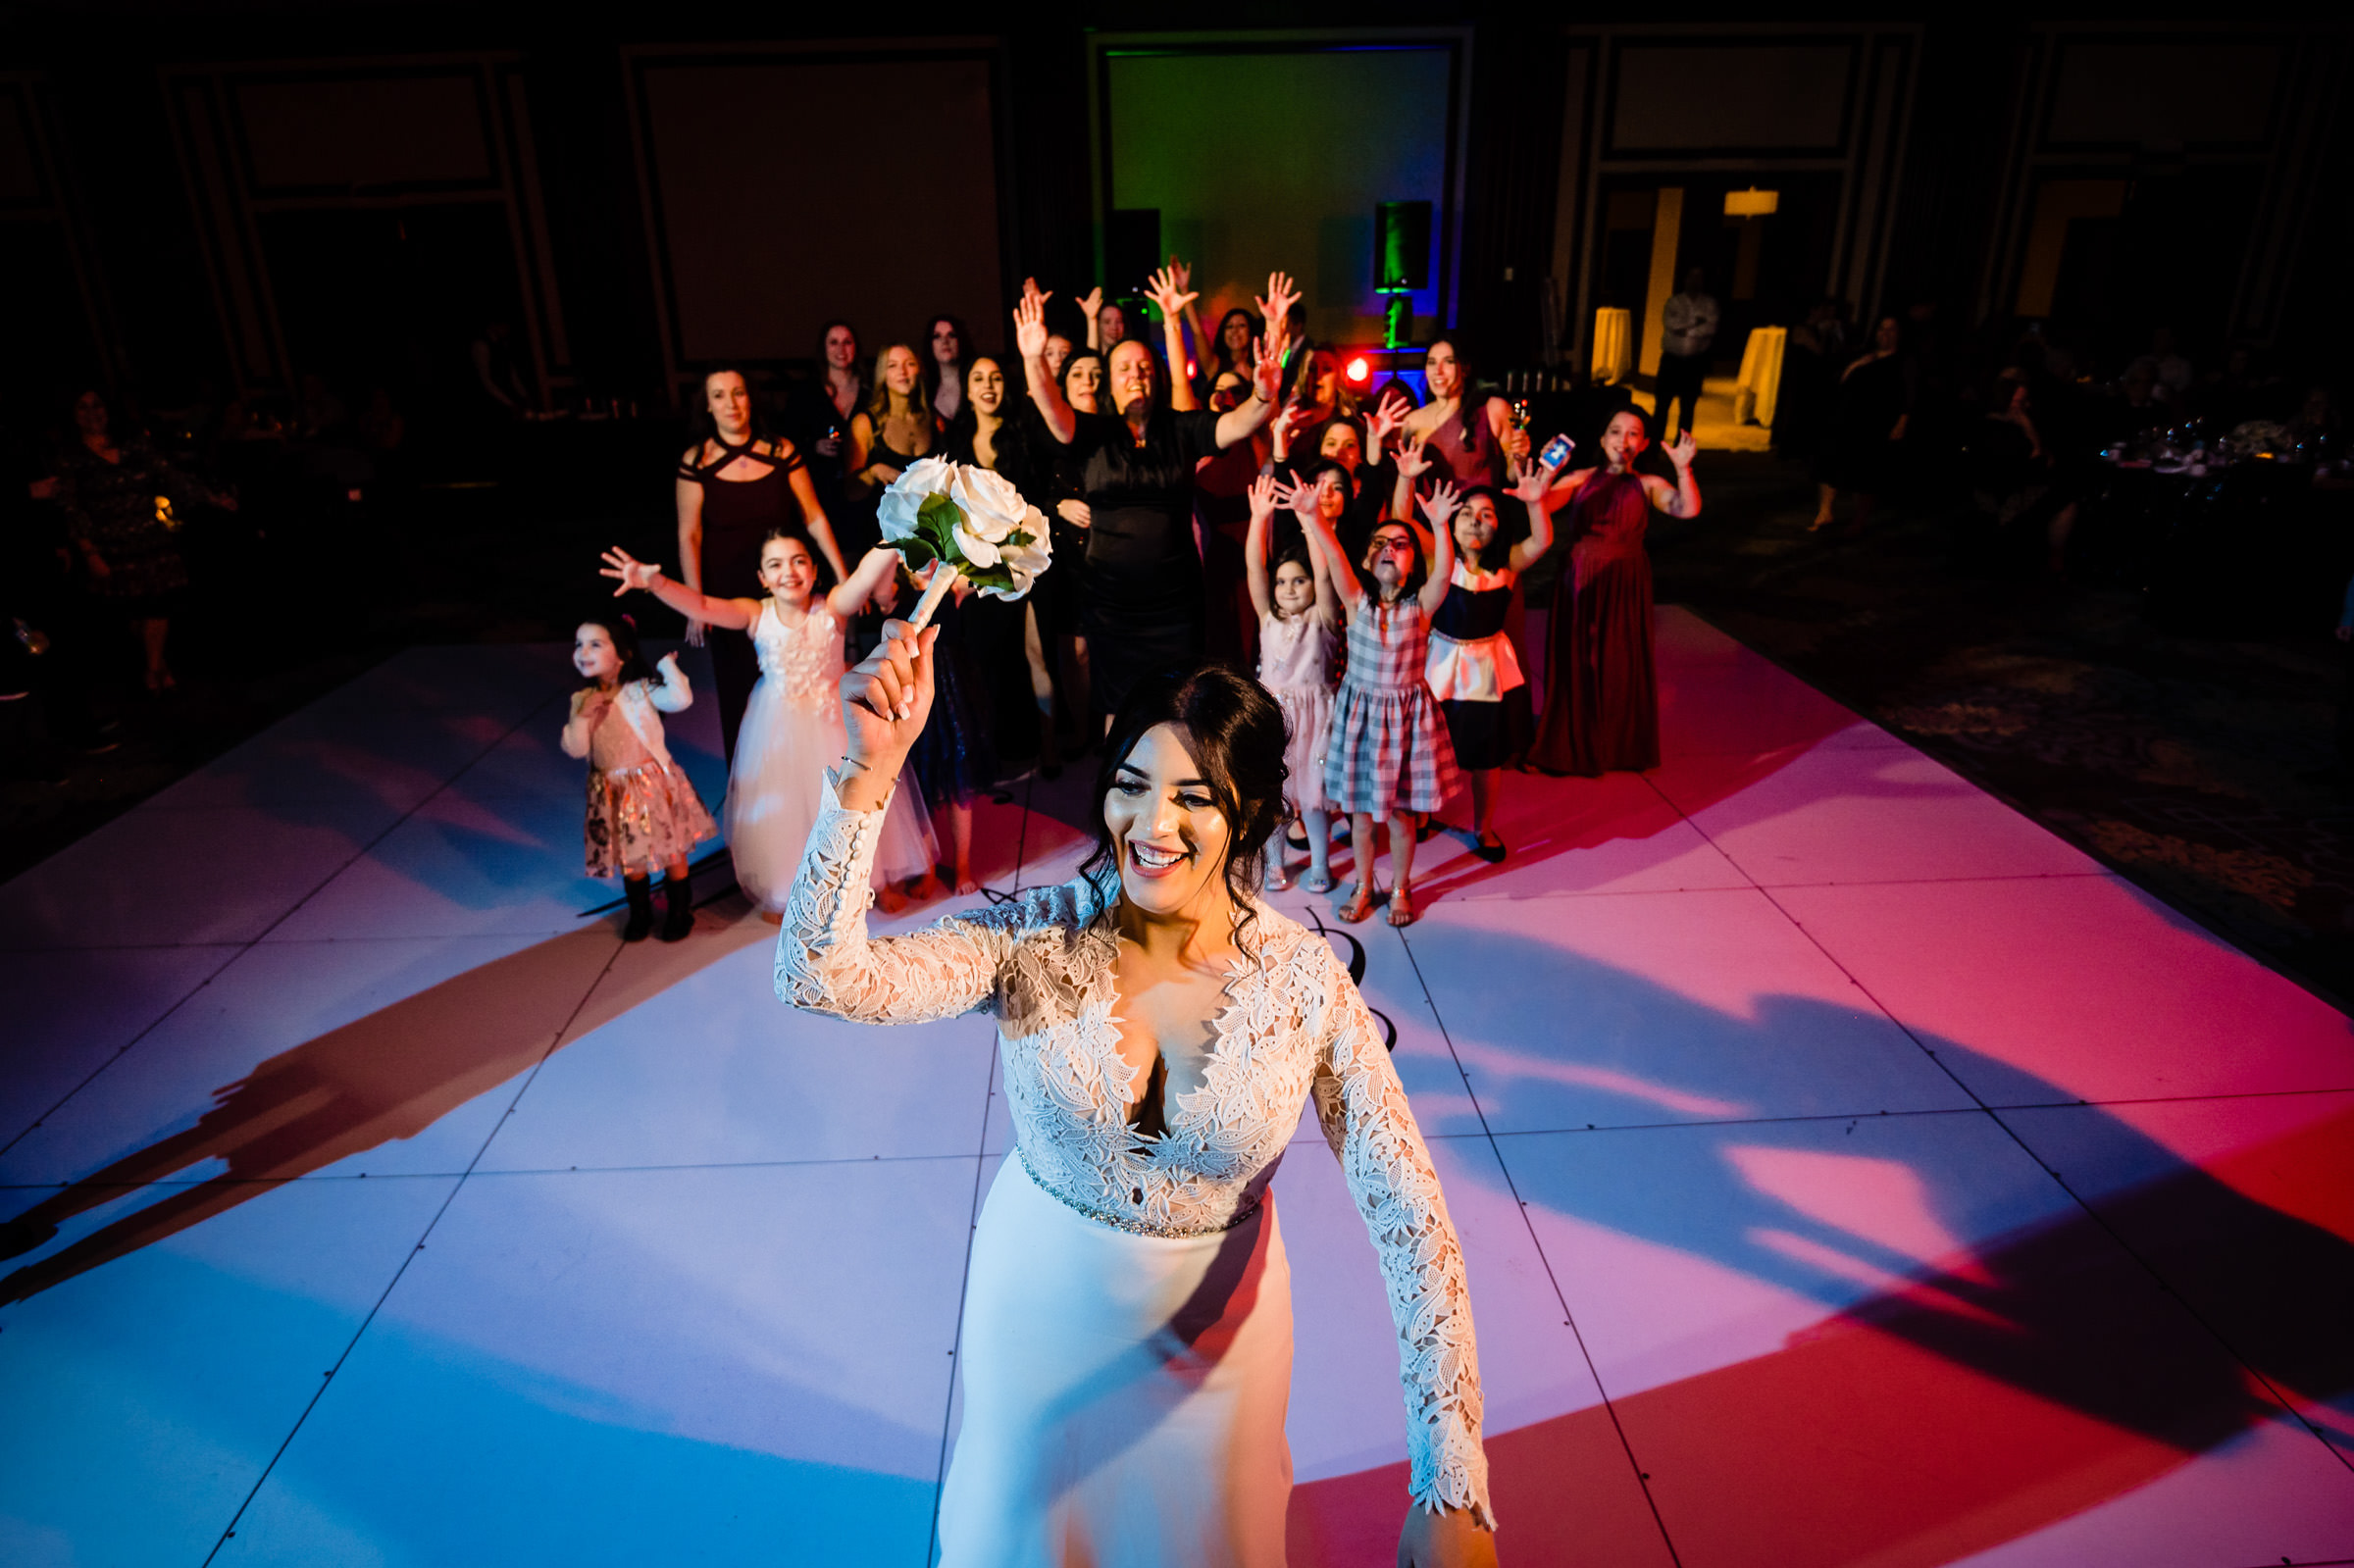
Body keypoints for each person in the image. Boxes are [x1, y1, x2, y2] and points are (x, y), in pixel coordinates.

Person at [777, 638, 1498, 1567]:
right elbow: (818, 975)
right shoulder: (1032, 935)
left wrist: (1453, 1479)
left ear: (1250, 815)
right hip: (1037, 1317)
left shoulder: (1306, 985)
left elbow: (1413, 1219)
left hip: (1222, 1354)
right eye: (1132, 782)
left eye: (1193, 795)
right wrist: (866, 775)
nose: (1151, 821)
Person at [599, 534, 936, 915]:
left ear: (813, 572)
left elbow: (862, 577)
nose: (788, 572)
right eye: (775, 565)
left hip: (833, 721)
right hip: (777, 724)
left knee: (852, 802)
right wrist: (654, 582)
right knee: (784, 813)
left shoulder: (834, 607)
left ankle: (874, 883)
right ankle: (785, 890)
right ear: (762, 577)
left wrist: (897, 532)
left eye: (798, 561)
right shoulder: (755, 613)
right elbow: (704, 605)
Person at [1013, 273, 1293, 725]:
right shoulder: (1094, 433)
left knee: (1177, 708)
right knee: (1118, 711)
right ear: (1111, 382)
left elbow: (1240, 423)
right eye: (1123, 368)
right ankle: (1117, 790)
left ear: (1157, 376)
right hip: (1111, 605)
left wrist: (1264, 391)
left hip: (1173, 605)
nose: (1135, 375)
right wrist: (1033, 358)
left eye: (1143, 366)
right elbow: (1054, 413)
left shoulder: (1181, 429)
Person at [1297, 479, 1464, 929]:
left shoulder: (1421, 606)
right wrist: (1314, 517)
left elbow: (1446, 573)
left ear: (1414, 559)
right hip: (1362, 720)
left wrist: (1441, 525)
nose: (1389, 549)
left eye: (1401, 543)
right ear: (1368, 558)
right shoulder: (1357, 601)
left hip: (1406, 722)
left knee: (1401, 816)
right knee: (1363, 816)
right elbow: (1333, 558)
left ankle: (1401, 886)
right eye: (1380, 543)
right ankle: (1364, 884)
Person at [678, 368, 849, 762]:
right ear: (707, 405)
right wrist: (694, 603)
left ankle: (805, 771)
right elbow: (689, 534)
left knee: (795, 683)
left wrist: (842, 576)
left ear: (750, 398)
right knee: (737, 686)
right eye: (719, 395)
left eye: (737, 393)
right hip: (727, 588)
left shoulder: (780, 450)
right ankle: (753, 783)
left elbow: (814, 516)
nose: (731, 404)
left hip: (783, 583)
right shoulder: (696, 460)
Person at [1532, 409, 1700, 776]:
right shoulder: (1579, 478)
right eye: (1615, 431)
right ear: (1602, 437)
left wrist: (1684, 470)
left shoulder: (1649, 483)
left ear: (1643, 444)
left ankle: (1617, 745)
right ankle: (1571, 742)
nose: (1622, 440)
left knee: (1619, 660)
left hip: (1626, 579)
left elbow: (1687, 508)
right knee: (1578, 659)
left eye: (1632, 434)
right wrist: (1546, 472)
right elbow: (1538, 504)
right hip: (1581, 575)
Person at [1422, 463, 1565, 860]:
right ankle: (1421, 815)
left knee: (1487, 758)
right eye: (1466, 513)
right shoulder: (1438, 561)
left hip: (1486, 670)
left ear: (1499, 526)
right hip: (1439, 665)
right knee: (1429, 747)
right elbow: (1405, 524)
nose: (1475, 521)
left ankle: (1483, 828)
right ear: (1451, 523)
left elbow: (1541, 540)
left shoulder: (1507, 566)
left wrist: (1535, 502)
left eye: (1487, 515)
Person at [51, 388, 236, 694]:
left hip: (149, 537)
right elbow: (72, 508)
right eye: (82, 408)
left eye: (97, 405)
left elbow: (170, 476)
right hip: (109, 545)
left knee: (158, 606)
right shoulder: (70, 458)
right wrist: (89, 551)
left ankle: (152, 671)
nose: (92, 413)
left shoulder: (133, 446)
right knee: (133, 612)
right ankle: (158, 663)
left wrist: (212, 498)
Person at [947, 355, 1069, 777]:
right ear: (966, 388)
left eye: (996, 377)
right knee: (985, 660)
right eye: (978, 377)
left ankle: (1049, 749)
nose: (988, 385)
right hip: (978, 564)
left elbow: (1043, 493)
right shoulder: (956, 443)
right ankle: (988, 754)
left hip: (1025, 558)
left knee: (1036, 655)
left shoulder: (1024, 436)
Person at [561, 616, 716, 942]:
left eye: (595, 644)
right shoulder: (582, 700)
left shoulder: (640, 691)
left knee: (672, 849)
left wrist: (668, 669)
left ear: (623, 654)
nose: (583, 651)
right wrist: (581, 717)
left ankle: (679, 910)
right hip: (613, 789)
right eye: (579, 644)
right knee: (632, 858)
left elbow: (680, 699)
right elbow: (575, 749)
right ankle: (640, 913)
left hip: (651, 785)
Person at [1244, 473, 1342, 893]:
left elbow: (1325, 578)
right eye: (1282, 581)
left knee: (1314, 800)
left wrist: (1309, 519)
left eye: (1297, 580)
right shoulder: (1268, 617)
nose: (1287, 588)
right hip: (1273, 718)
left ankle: (1320, 862)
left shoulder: (1322, 619)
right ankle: (1275, 863)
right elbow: (1254, 566)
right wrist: (1258, 519)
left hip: (1315, 719)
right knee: (1275, 801)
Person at [1810, 315, 1909, 533]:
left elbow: (1909, 394)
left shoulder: (1901, 362)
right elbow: (1842, 379)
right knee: (1830, 461)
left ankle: (1858, 520)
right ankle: (1825, 512)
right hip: (1846, 417)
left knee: (1865, 471)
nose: (1885, 334)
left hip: (1874, 422)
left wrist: (1901, 422)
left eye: (1891, 330)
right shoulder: (1864, 356)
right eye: (1882, 329)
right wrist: (1856, 366)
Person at [1400, 339, 1525, 491]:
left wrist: (1520, 458)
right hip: (1430, 513)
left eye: (1448, 362)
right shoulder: (1412, 421)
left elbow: (1513, 477)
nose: (1438, 371)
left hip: (1479, 511)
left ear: (1465, 368)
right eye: (1432, 362)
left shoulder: (1493, 409)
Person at [1656, 266, 1719, 441]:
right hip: (1671, 360)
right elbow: (1671, 324)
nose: (1694, 281)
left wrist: (1687, 329)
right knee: (1662, 405)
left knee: (1688, 407)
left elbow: (1710, 328)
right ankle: (1654, 446)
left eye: (1698, 277)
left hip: (1694, 362)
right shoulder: (1674, 302)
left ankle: (1681, 447)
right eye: (1691, 277)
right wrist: (1696, 322)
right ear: (1684, 279)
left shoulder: (1709, 304)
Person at [927, 314, 971, 425]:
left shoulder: (976, 384)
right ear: (930, 344)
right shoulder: (924, 391)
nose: (945, 341)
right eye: (937, 336)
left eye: (951, 335)